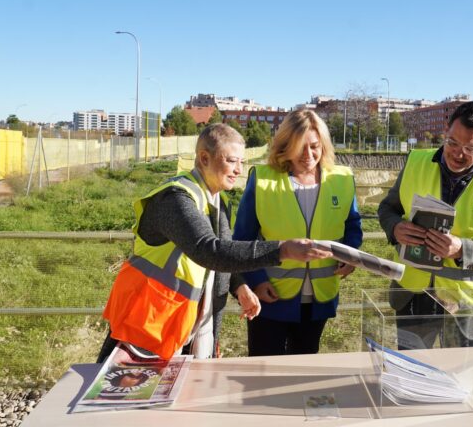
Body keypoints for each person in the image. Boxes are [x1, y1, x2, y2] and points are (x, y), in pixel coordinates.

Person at [98, 123, 331, 362]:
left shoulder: (217, 200)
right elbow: (208, 250)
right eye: (231, 161)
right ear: (204, 158)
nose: (238, 170)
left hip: (184, 330)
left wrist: (239, 286)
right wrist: (282, 249)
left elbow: (222, 254)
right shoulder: (175, 200)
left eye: (242, 162)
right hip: (144, 330)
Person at [377, 101, 473, 349]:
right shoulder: (415, 162)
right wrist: (395, 228)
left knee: (458, 377)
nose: (457, 153)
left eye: (470, 148)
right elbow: (387, 209)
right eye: (452, 142)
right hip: (413, 294)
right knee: (413, 370)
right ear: (446, 132)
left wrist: (462, 250)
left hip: (465, 304)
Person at [234, 109, 363, 356]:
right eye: (299, 147)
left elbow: (352, 226)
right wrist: (257, 281)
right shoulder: (262, 180)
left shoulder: (343, 179)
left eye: (314, 146)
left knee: (303, 367)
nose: (307, 155)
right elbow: (242, 239)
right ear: (285, 146)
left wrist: (351, 255)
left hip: (319, 298)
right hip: (270, 297)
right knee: (264, 369)